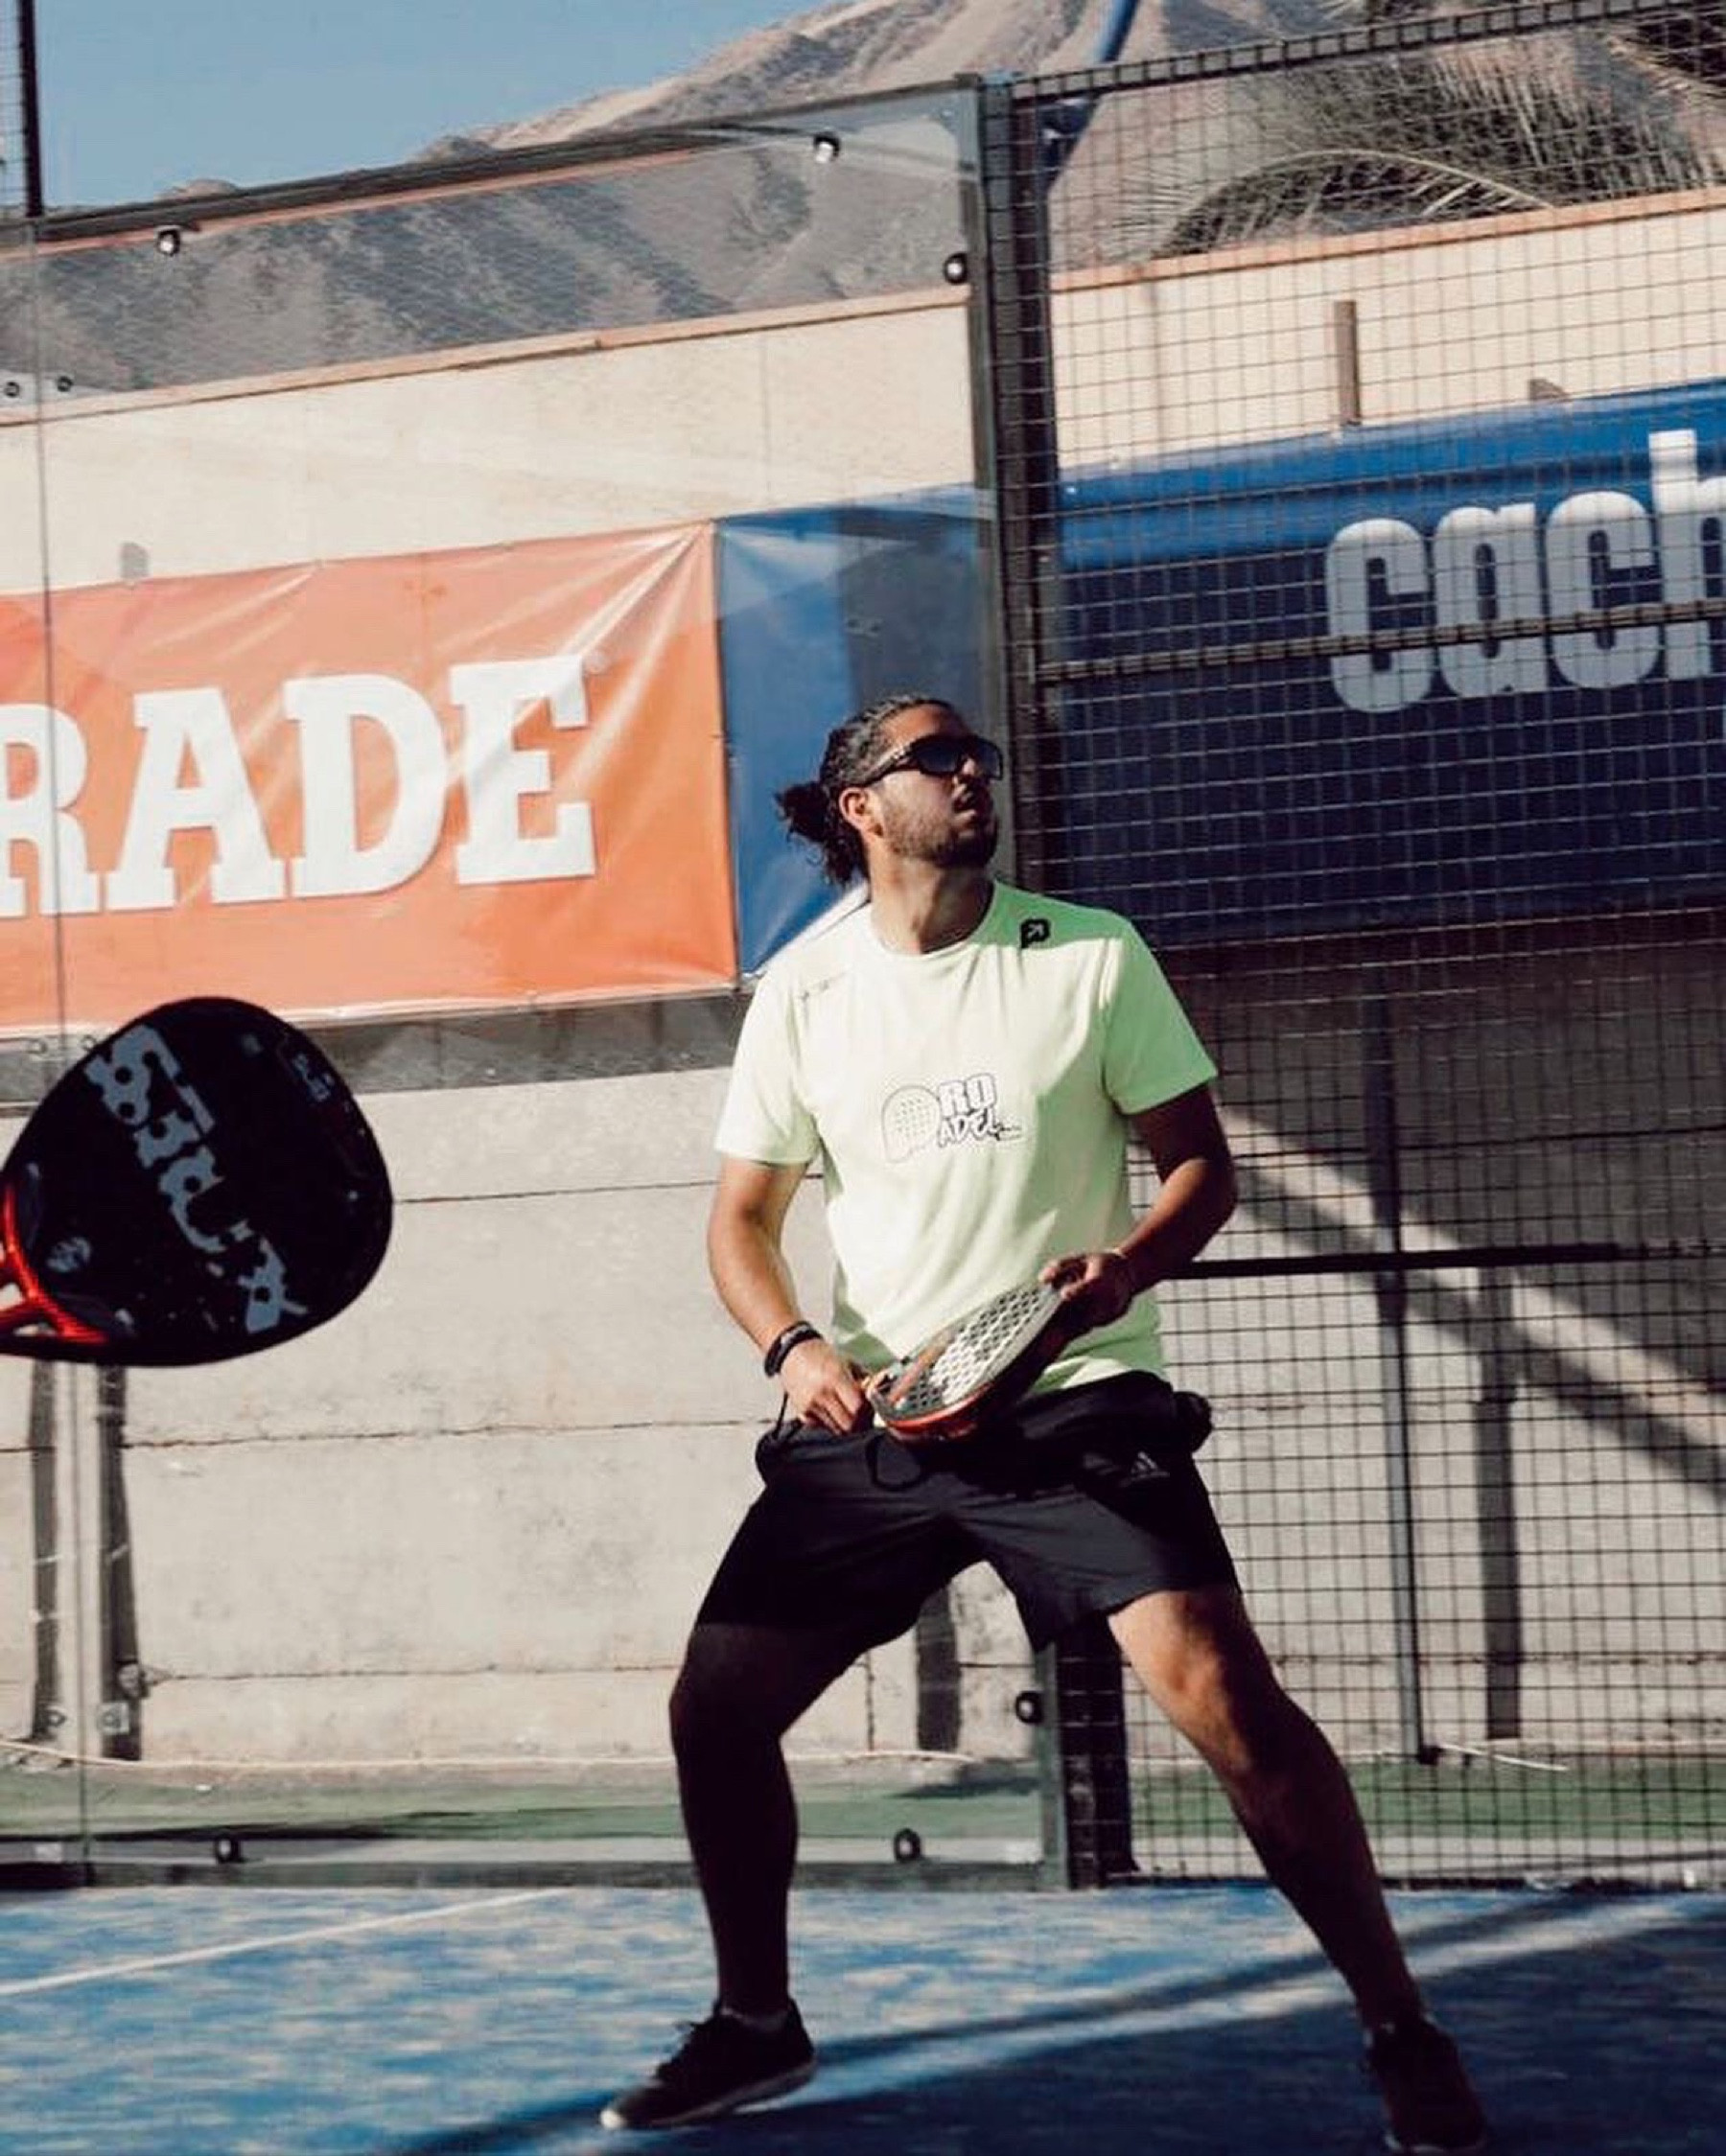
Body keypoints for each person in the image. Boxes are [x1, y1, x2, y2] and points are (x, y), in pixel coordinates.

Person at [600, 693, 1487, 2154]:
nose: (971, 772)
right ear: (861, 808)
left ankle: (1403, 2027)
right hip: (882, 1417)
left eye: (978, 754)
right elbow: (740, 1221)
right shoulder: (804, 994)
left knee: (1227, 1700)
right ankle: (756, 2023)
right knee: (716, 1709)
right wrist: (792, 1342)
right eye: (935, 758)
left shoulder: (1090, 953)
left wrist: (1123, 1268)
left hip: (1075, 1398)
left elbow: (1200, 1167)